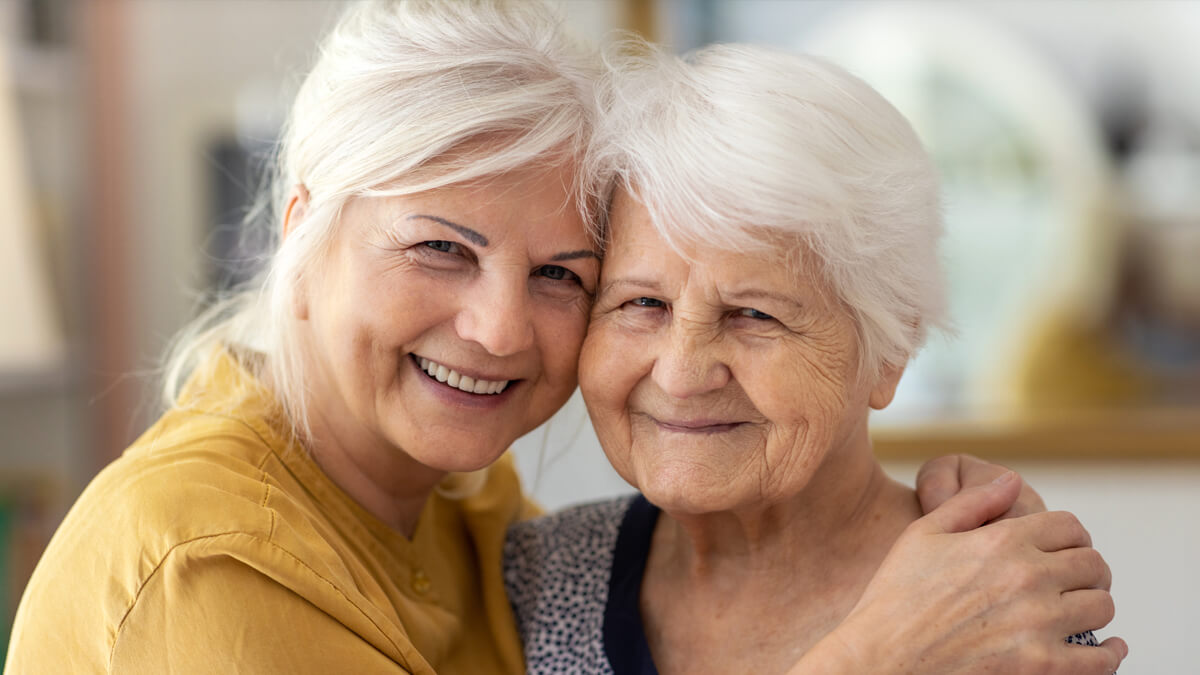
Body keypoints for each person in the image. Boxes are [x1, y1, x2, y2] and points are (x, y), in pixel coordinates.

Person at [5, 2, 1094, 674]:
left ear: (893, 350)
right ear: (302, 226)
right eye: (437, 247)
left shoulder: (481, 530)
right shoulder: (211, 567)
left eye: (563, 276)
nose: (495, 327)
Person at [505, 43, 1126, 674]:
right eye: (643, 303)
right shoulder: (533, 579)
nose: (682, 374)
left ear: (889, 352)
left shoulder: (1002, 603)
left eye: (754, 315)